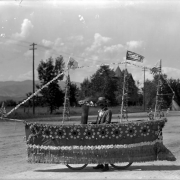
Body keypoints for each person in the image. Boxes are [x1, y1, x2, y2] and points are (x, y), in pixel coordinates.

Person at [93, 97, 112, 171]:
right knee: (98, 148)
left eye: (101, 103)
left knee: (104, 149)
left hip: (105, 133)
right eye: (99, 103)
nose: (99, 105)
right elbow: (97, 121)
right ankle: (100, 164)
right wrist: (93, 123)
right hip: (99, 132)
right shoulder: (100, 111)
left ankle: (106, 165)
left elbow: (107, 122)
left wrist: (99, 126)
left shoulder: (108, 111)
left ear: (104, 103)